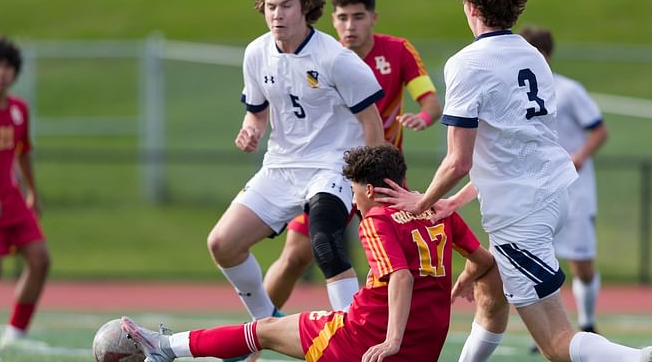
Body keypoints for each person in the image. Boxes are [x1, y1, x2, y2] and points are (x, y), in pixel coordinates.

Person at [373, 0, 652, 361]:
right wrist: (453, 203)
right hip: (556, 192)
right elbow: (507, 150)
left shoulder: (466, 63)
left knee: (556, 344)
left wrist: (420, 204)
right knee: (490, 291)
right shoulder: (533, 55)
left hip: (522, 210)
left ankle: (633, 359)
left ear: (471, 6)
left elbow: (459, 160)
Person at [122, 144, 498, 362]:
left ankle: (165, 347)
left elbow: (400, 277)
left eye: (353, 190)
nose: (352, 198)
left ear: (369, 190)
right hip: (426, 345)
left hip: (365, 339)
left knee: (264, 330)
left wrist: (391, 339)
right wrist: (462, 279)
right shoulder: (435, 211)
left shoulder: (377, 221)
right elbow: (482, 260)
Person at [205, 0, 384, 358]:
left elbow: (372, 123)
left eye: (286, 5)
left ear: (306, 9)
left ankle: (353, 341)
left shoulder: (337, 59)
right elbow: (256, 112)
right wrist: (251, 128)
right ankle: (265, 323)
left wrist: (369, 184)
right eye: (270, 6)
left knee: (323, 240)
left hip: (334, 165)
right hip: (281, 166)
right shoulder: (256, 53)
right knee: (222, 243)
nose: (277, 14)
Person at [263, 0, 443, 311]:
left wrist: (423, 118)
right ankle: (254, 337)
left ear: (373, 18)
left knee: (395, 261)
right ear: (332, 19)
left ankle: (392, 336)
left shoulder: (397, 51)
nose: (350, 26)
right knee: (294, 257)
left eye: (358, 17)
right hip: (327, 172)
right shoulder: (322, 55)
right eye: (343, 17)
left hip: (381, 178)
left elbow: (431, 101)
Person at [519, 26, 609, 336]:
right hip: (539, 188)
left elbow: (599, 130)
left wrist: (580, 155)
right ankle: (551, 330)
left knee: (582, 263)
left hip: (575, 187)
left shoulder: (569, 90)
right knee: (540, 259)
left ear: (547, 55)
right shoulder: (515, 90)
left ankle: (587, 322)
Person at [0, 36, 51, 348]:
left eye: (7, 66)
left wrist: (33, 192)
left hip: (13, 200)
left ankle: (15, 335)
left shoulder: (20, 109)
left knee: (40, 260)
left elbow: (23, 153)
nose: (1, 73)